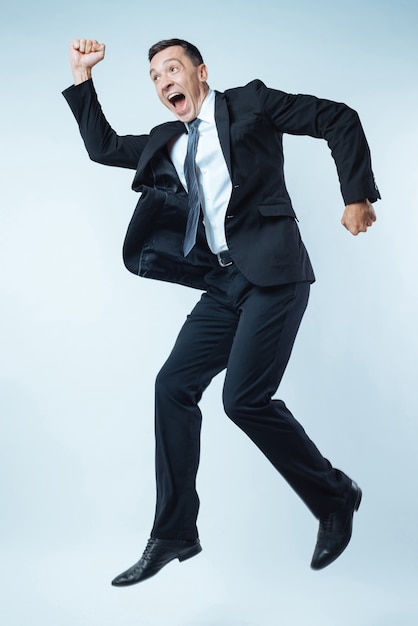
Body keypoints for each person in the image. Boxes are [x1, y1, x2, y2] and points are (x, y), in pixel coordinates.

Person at [63, 37, 380, 586]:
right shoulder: (168, 139)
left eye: (172, 69)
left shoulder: (250, 104)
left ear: (200, 73)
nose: (164, 82)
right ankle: (175, 532)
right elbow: (104, 146)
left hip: (276, 273)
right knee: (172, 386)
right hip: (224, 282)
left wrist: (356, 194)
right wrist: (81, 75)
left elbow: (337, 117)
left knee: (244, 399)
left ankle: (334, 497)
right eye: (155, 77)